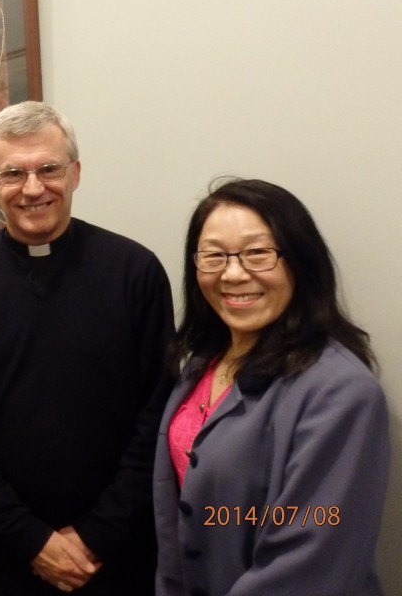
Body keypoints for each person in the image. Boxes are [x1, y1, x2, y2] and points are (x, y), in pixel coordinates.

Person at [0, 100, 174, 595]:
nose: (32, 188)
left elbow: (159, 413)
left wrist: (99, 534)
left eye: (48, 169)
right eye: (13, 173)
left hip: (120, 547)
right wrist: (28, 539)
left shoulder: (136, 272)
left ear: (76, 173)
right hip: (10, 552)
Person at [154, 178, 389, 595]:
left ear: (300, 260)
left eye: (257, 253)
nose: (233, 273)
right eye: (213, 255)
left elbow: (310, 564)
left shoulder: (341, 393)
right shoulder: (201, 365)